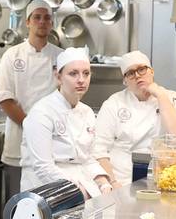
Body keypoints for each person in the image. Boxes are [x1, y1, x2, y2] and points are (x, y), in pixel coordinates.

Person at [20, 47, 114, 198]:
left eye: (86, 73)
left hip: (80, 189)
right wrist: (78, 191)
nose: (81, 80)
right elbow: (43, 167)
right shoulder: (42, 113)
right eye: (73, 73)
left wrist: (103, 182)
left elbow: (86, 158)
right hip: (45, 192)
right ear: (58, 77)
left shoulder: (88, 112)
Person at [93, 50, 176, 187]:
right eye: (131, 73)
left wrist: (160, 95)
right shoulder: (113, 103)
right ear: (125, 80)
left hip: (165, 178)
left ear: (152, 71)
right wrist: (113, 182)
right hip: (123, 179)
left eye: (142, 69)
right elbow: (99, 149)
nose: (137, 75)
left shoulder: (171, 97)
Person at [0, 0, 59, 202]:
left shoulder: (61, 56)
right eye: (37, 17)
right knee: (18, 203)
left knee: (49, 205)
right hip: (17, 142)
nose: (42, 21)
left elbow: (64, 96)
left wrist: (42, 130)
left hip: (53, 142)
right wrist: (32, 127)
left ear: (51, 23)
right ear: (28, 22)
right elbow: (5, 99)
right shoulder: (12, 56)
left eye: (47, 17)